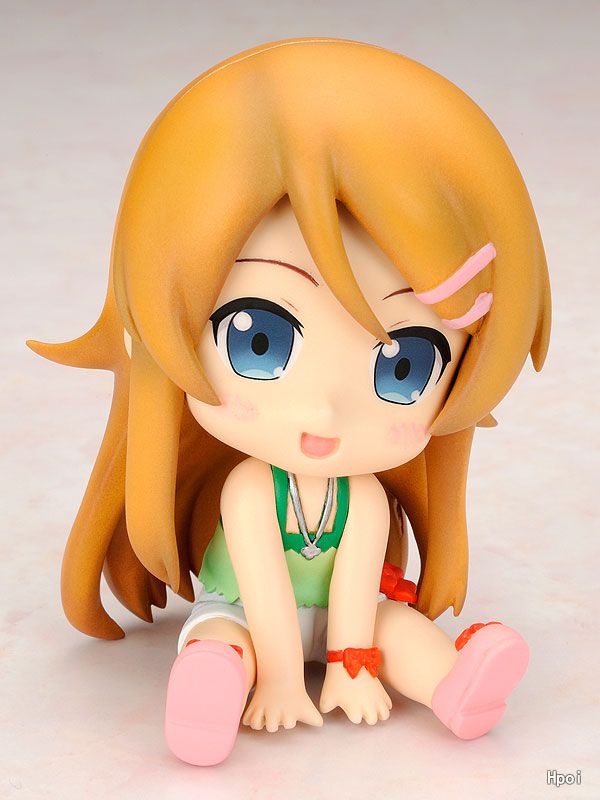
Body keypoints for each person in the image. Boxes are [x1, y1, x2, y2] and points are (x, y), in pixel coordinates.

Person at [27, 37, 551, 767]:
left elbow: (359, 577)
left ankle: (455, 687)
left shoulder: (361, 498)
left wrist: (351, 664)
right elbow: (264, 584)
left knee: (399, 629)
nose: (327, 412)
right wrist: (277, 677)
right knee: (221, 642)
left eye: (404, 366)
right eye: (260, 342)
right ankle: (209, 693)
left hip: (344, 619)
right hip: (246, 613)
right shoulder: (251, 489)